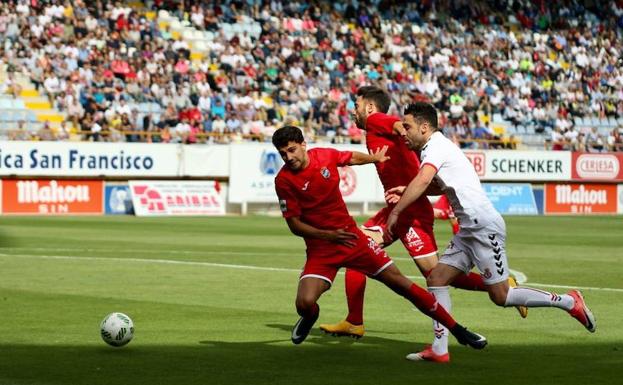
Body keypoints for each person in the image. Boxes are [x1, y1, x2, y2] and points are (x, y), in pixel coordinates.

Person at [319, 86, 525, 363]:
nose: (352, 111)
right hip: (396, 208)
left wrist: (406, 134)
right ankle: (354, 320)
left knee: (435, 275)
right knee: (357, 250)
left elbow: (395, 126)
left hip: (410, 212)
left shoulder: (376, 120)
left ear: (369, 108)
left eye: (355, 105)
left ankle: (499, 286)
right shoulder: (377, 132)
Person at [385, 102, 596, 360]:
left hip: (483, 226)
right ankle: (439, 350)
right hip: (469, 229)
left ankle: (569, 301)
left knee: (501, 296)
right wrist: (407, 191)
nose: (403, 131)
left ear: (424, 127)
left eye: (407, 126)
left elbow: (425, 180)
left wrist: (397, 210)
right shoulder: (436, 147)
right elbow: (439, 186)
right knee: (436, 278)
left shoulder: (436, 147)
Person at [272, 125, 487, 352]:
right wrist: (328, 235)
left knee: (403, 285)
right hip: (321, 249)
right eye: (283, 153)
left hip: (353, 240)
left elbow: (351, 157)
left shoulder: (324, 155)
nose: (289, 157)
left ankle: (458, 329)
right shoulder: (283, 181)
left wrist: (373, 158)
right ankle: (310, 316)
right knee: (304, 303)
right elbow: (294, 225)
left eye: (292, 150)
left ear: (304, 145)